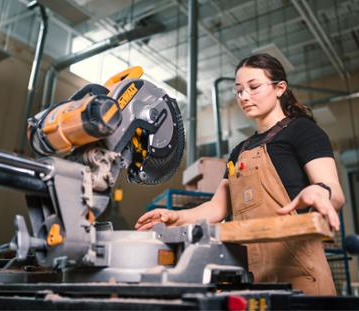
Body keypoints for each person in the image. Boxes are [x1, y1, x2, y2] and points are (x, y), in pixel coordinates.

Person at [135, 53, 345, 296]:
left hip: (301, 273)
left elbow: (334, 191)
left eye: (253, 87)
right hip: (253, 276)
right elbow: (217, 208)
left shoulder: (303, 131)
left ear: (280, 88)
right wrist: (175, 217)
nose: (244, 96)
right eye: (239, 90)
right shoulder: (239, 151)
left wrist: (321, 191)